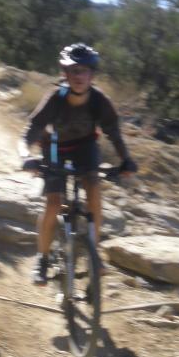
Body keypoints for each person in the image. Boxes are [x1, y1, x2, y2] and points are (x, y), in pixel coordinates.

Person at [19, 43, 137, 284]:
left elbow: (113, 132)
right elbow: (31, 131)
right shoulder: (55, 98)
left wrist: (126, 160)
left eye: (84, 71)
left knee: (94, 190)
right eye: (73, 70)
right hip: (54, 147)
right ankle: (41, 259)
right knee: (53, 204)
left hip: (85, 147)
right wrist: (25, 156)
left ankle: (94, 254)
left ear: (92, 75)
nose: (79, 76)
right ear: (65, 73)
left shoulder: (99, 100)